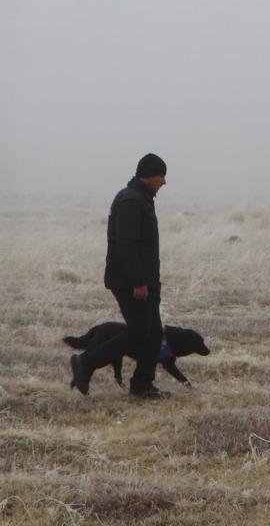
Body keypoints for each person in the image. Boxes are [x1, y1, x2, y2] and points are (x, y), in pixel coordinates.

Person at [70, 154, 170, 399]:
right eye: (161, 176)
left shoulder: (141, 199)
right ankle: (86, 362)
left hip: (144, 281)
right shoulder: (131, 201)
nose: (164, 182)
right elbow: (126, 245)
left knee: (153, 332)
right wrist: (138, 282)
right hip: (130, 282)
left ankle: (142, 385)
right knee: (138, 332)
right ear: (149, 176)